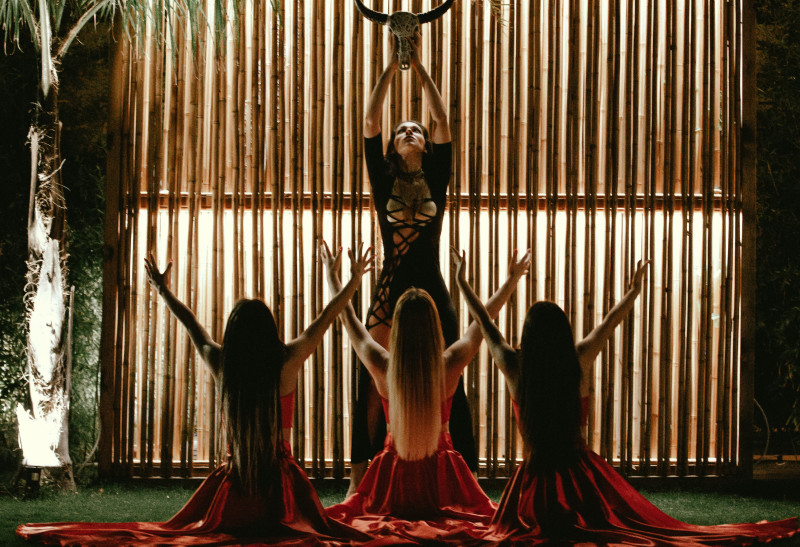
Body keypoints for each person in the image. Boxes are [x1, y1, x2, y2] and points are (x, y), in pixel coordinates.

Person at [17, 249, 375, 546]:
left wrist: (163, 290)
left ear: (232, 334)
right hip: (282, 490)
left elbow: (191, 324)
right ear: (270, 332)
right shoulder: (288, 361)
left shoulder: (222, 363)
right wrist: (353, 280)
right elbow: (326, 317)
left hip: (236, 488)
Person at [455, 257, 799, 545]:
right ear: (563, 334)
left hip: (534, 482)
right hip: (580, 477)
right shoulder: (578, 360)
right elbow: (608, 323)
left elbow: (484, 322)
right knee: (617, 526)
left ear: (527, 337)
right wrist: (633, 291)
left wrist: (462, 282)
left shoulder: (514, 366)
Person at [322, 242, 530, 543]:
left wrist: (336, 278)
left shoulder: (382, 365)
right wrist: (511, 280)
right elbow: (482, 322)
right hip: (442, 475)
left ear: (396, 329)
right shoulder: (450, 363)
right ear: (435, 327)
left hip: (393, 475)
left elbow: (349, 318)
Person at [351, 28, 476, 496]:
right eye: (402, 129)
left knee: (451, 381)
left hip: (432, 286)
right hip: (389, 289)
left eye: (415, 130)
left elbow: (441, 118)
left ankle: (465, 477)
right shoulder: (382, 179)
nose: (409, 131)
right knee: (370, 382)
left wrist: (417, 65)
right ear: (393, 146)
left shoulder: (437, 177)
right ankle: (358, 480)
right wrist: (391, 64)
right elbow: (370, 119)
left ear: (425, 145)